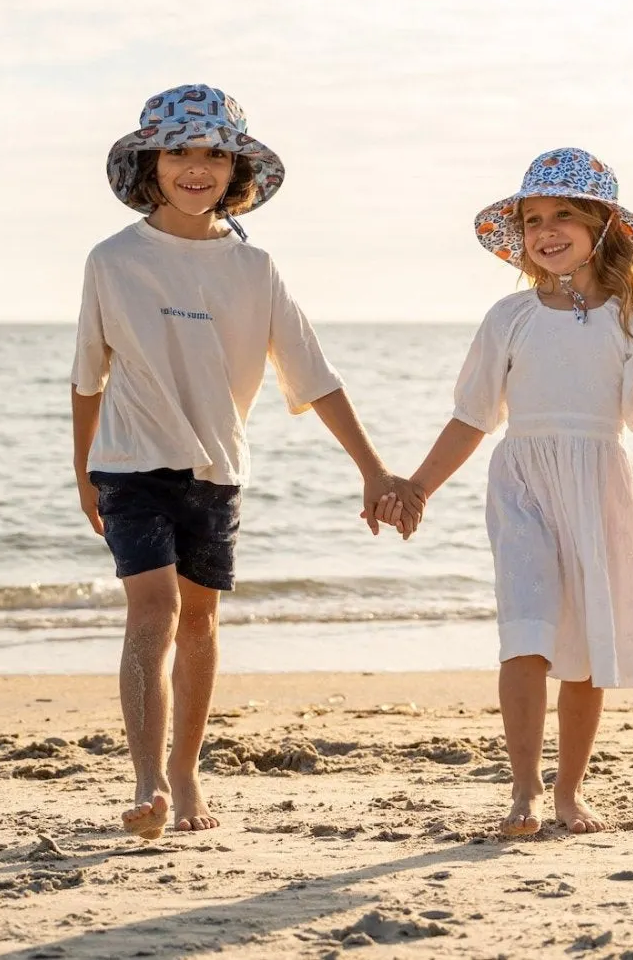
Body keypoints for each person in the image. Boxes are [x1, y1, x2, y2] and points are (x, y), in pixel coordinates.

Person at [72, 84, 420, 838]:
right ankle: (147, 779)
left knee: (198, 619)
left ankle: (188, 769)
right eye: (180, 152)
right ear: (150, 163)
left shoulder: (255, 269)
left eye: (214, 154)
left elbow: (315, 375)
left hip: (217, 469)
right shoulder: (113, 260)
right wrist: (82, 472)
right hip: (130, 463)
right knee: (153, 611)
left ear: (236, 170)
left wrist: (373, 467)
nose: (196, 168)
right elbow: (87, 377)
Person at [378, 147, 633, 836]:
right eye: (534, 218)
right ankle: (522, 787)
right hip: (520, 483)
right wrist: (419, 487)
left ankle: (569, 790)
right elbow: (472, 416)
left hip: (601, 484)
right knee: (525, 632)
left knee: (583, 649)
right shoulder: (509, 318)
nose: (546, 230)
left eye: (564, 216)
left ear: (601, 224)